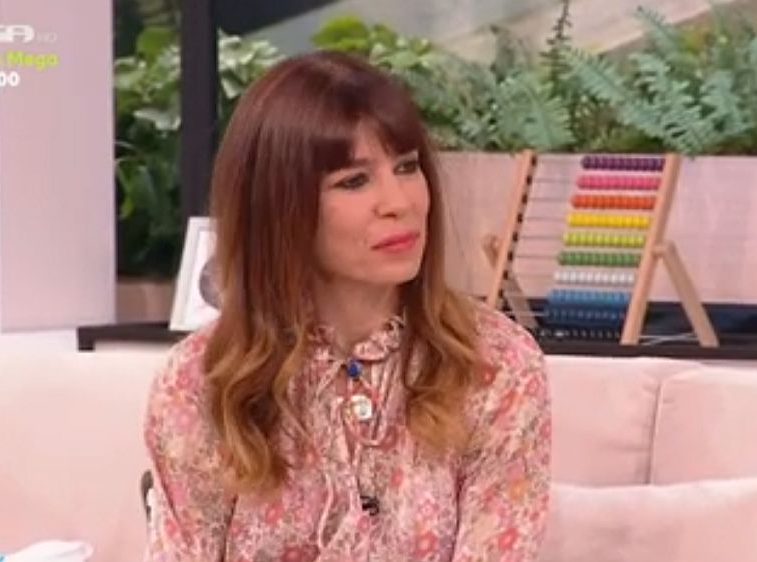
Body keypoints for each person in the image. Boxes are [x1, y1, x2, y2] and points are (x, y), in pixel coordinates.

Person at [143, 50, 551, 562]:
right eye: (354, 181)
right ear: (280, 206)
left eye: (407, 167)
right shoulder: (198, 382)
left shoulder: (496, 364)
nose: (399, 202)